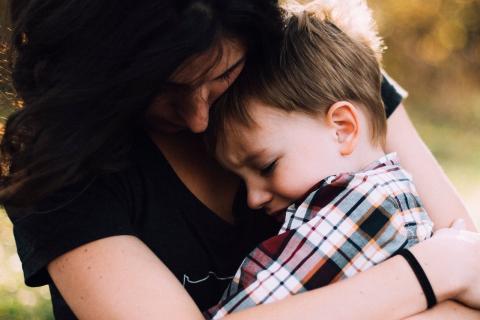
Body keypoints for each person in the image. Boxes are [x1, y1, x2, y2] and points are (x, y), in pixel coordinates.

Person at [0, 0, 479, 319]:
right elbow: (463, 264)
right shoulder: (60, 165)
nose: (197, 119)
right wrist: (432, 271)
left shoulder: (318, 77)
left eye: (222, 73)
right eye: (159, 89)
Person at [205, 2, 436, 317]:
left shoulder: (365, 205)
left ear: (342, 129)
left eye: (266, 166)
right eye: (241, 179)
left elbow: (254, 307)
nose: (253, 198)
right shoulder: (389, 194)